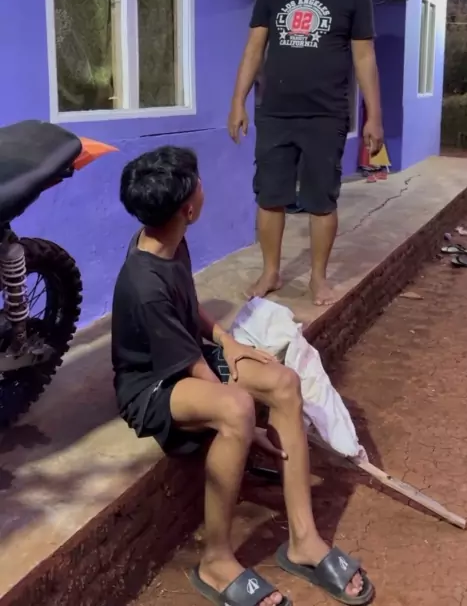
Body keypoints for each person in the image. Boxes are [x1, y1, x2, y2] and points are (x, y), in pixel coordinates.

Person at [111, 146, 374, 606]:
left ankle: (304, 540)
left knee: (284, 383)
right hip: (151, 386)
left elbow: (185, 305)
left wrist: (226, 341)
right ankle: (215, 561)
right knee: (236, 408)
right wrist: (249, 428)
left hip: (184, 357)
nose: (202, 186)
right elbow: (191, 366)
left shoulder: (166, 237)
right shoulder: (144, 284)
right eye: (198, 183)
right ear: (188, 208)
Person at [228, 0, 383, 306]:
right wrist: (237, 102)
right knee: (270, 196)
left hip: (326, 115)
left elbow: (365, 58)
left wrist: (374, 117)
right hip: (275, 113)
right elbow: (254, 49)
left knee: (321, 200)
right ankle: (271, 271)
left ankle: (318, 277)